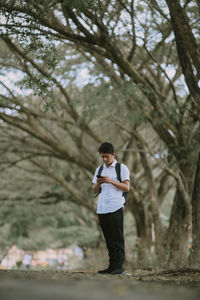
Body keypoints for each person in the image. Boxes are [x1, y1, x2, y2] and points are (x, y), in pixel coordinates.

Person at [92, 142, 130, 275]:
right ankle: (112, 266)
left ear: (113, 155)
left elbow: (127, 187)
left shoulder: (121, 168)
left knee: (117, 238)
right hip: (102, 208)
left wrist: (111, 181)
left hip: (116, 206)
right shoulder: (99, 170)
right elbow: (94, 190)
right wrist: (98, 183)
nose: (104, 159)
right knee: (108, 238)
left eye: (106, 156)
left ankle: (119, 267)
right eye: (102, 156)